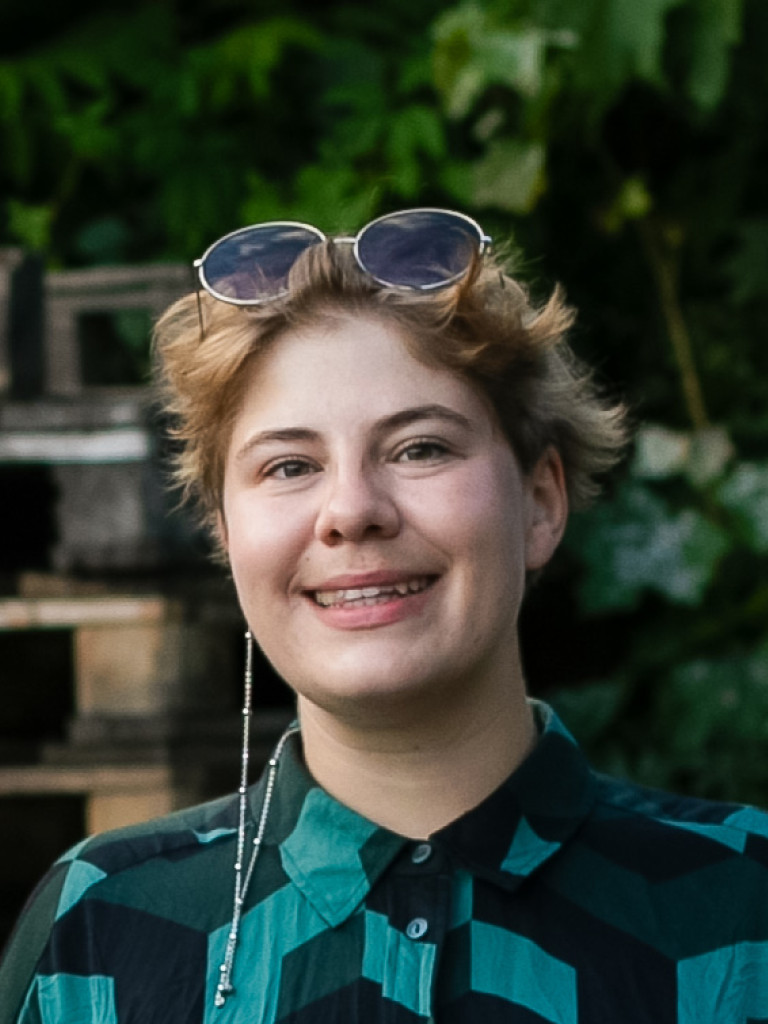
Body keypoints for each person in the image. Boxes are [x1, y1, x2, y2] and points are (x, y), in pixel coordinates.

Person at [2, 208, 768, 1023]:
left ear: (540, 501)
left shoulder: (739, 906)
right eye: (290, 465)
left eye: (420, 448)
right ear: (226, 535)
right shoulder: (98, 929)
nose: (351, 511)